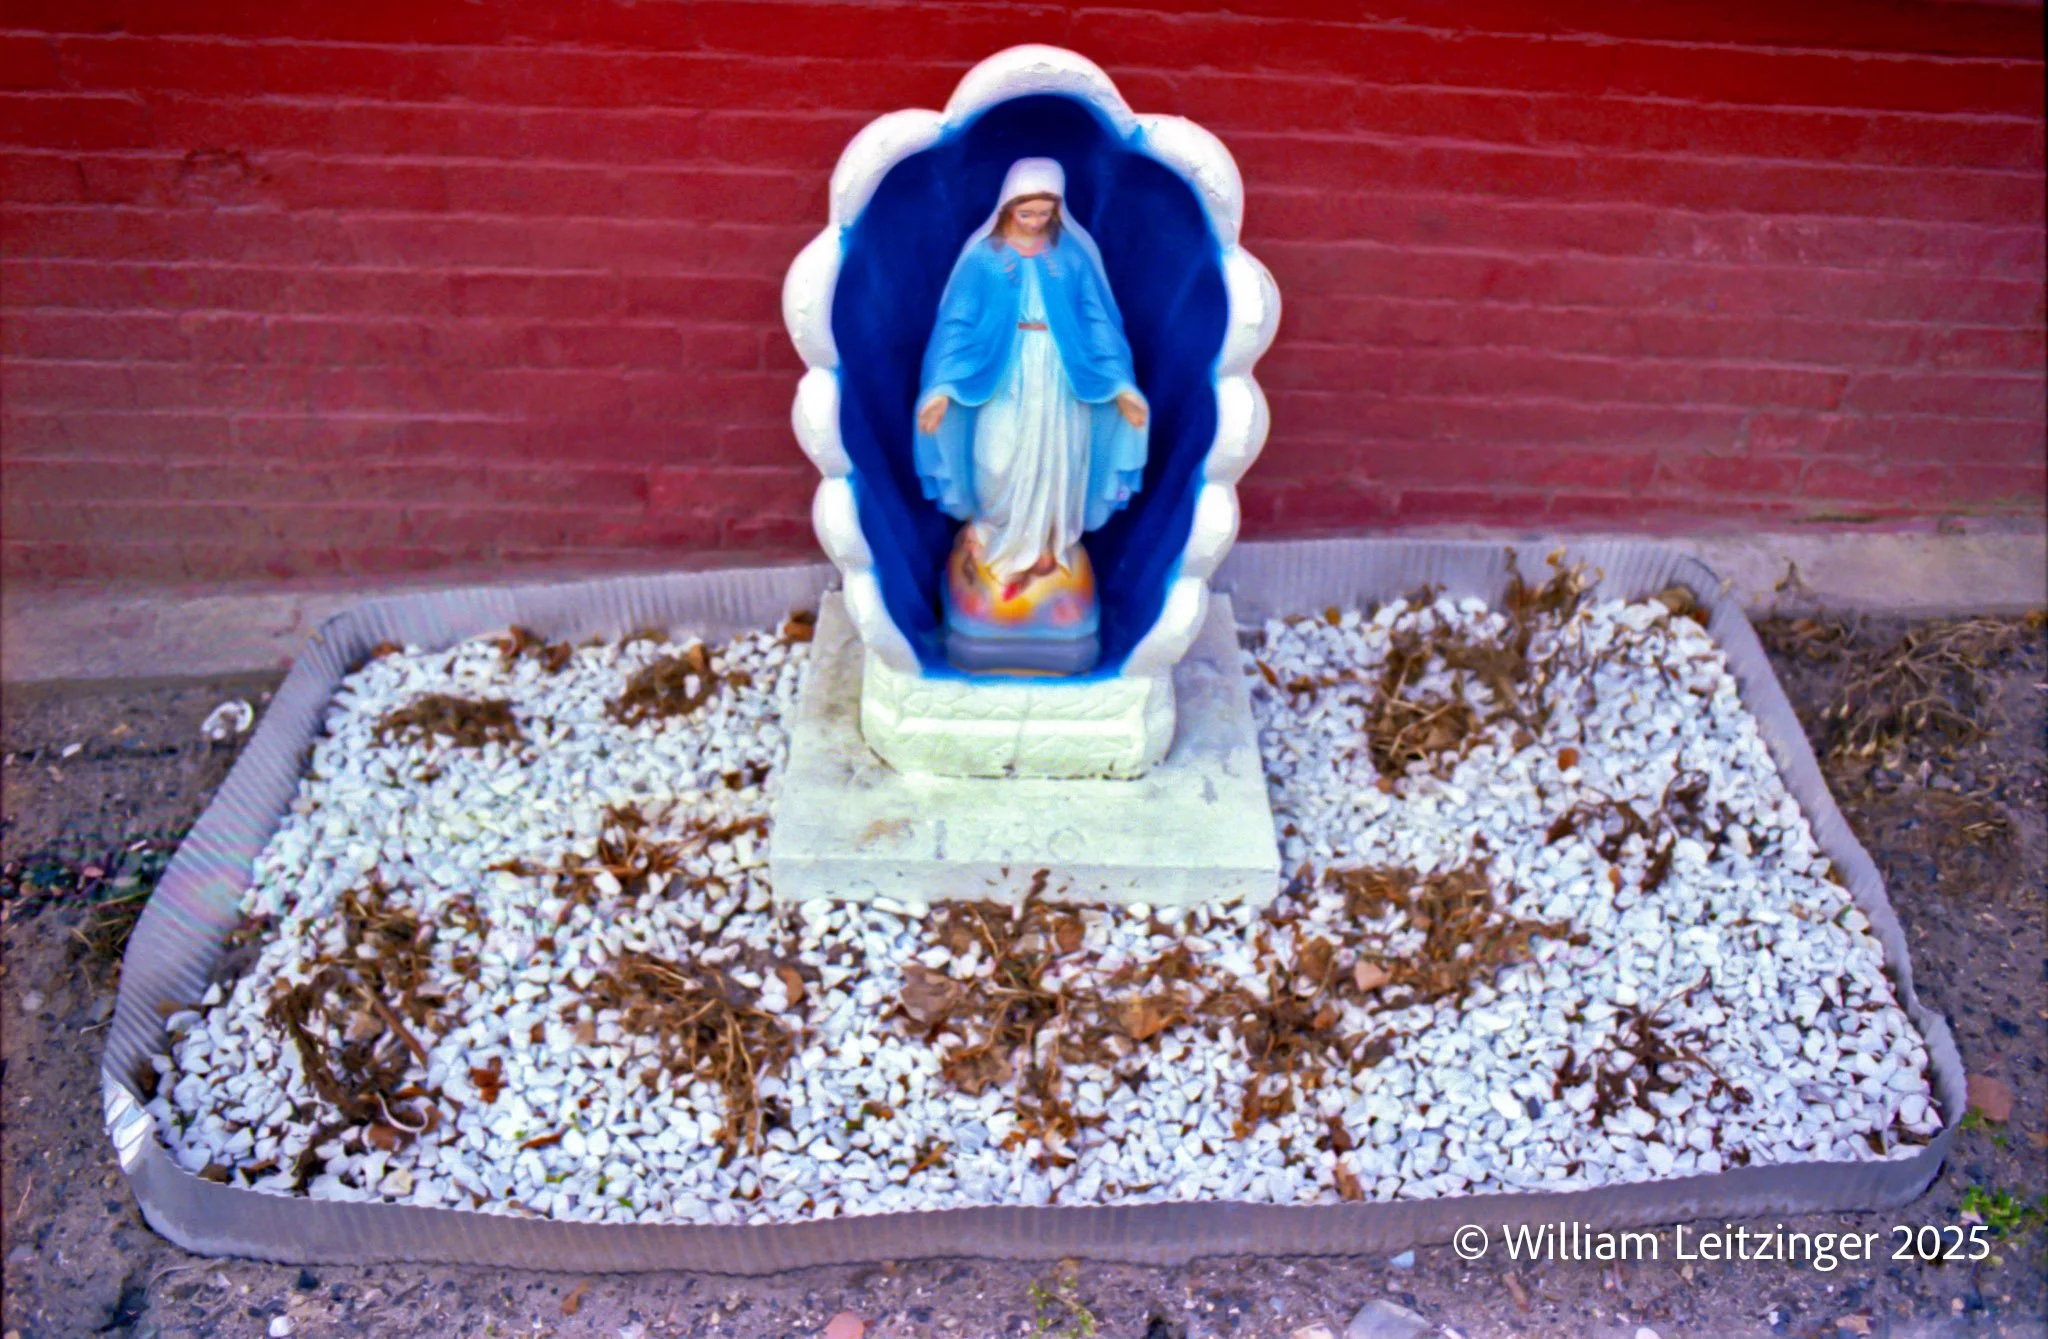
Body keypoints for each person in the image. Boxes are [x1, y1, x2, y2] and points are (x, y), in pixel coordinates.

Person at [912, 158, 1149, 598]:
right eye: (1027, 213)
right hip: (1003, 373)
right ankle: (992, 534)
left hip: (1062, 376)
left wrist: (1119, 384)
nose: (1037, 221)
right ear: (1006, 208)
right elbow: (956, 325)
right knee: (996, 460)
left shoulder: (1071, 256)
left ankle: (1045, 545)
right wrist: (943, 387)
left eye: (1045, 212)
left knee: (1058, 460)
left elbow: (1098, 322)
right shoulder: (984, 258)